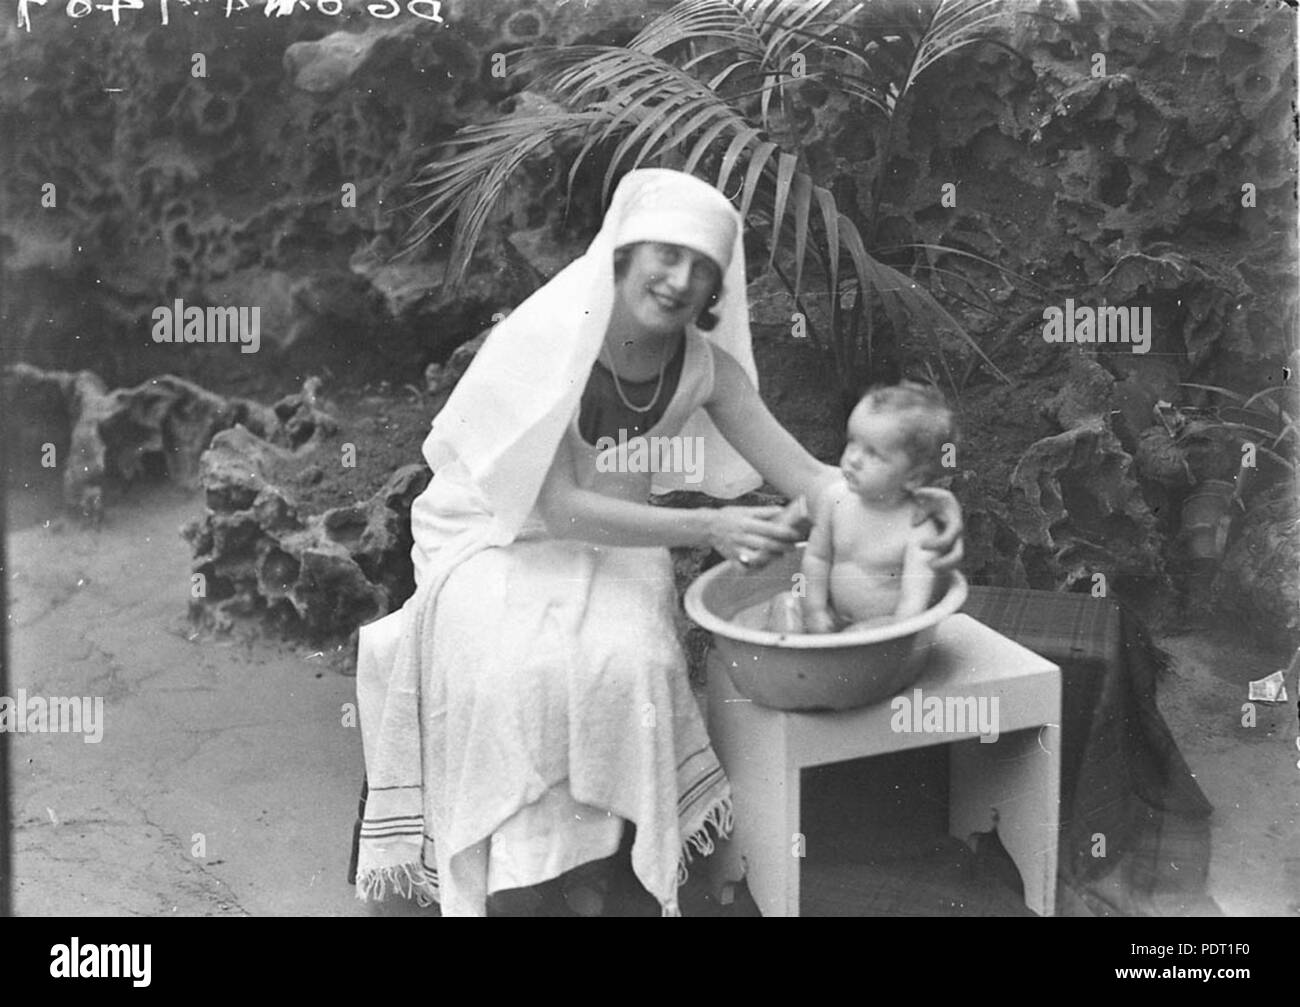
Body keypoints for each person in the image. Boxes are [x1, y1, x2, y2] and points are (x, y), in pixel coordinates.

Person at [353, 169, 964, 917]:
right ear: (624, 253)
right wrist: (710, 526)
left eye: (702, 268)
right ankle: (515, 872)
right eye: (665, 256)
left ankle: (592, 858)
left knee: (630, 663)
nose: (680, 280)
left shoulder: (705, 367)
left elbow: (810, 476)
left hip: (621, 542)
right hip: (493, 537)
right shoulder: (556, 338)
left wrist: (916, 504)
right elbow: (562, 510)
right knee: (522, 669)